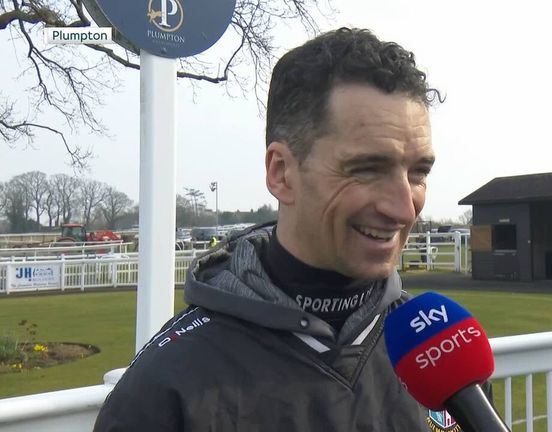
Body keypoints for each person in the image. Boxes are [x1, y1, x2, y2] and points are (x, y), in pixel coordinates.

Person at [94, 27, 442, 431]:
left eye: (418, 173)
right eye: (366, 169)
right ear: (281, 173)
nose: (404, 208)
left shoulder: (440, 350)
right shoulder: (165, 388)